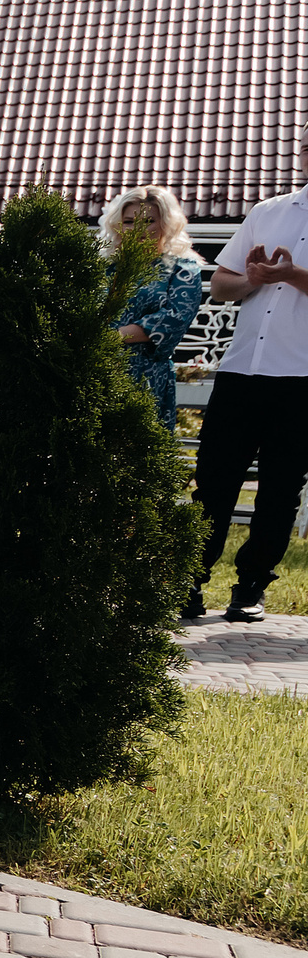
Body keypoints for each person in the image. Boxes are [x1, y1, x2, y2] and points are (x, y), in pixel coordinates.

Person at [184, 134, 308, 625]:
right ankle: (188, 580)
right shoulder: (267, 210)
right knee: (212, 483)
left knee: (279, 490)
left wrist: (293, 275)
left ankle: (251, 586)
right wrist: (252, 279)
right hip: (240, 371)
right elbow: (221, 284)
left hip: (301, 377)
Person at [101, 184, 210, 432]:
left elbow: (173, 319)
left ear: (166, 225)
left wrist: (109, 338)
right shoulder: (104, 267)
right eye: (129, 222)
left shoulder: (183, 269)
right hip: (94, 372)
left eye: (148, 221)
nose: (137, 229)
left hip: (145, 378)